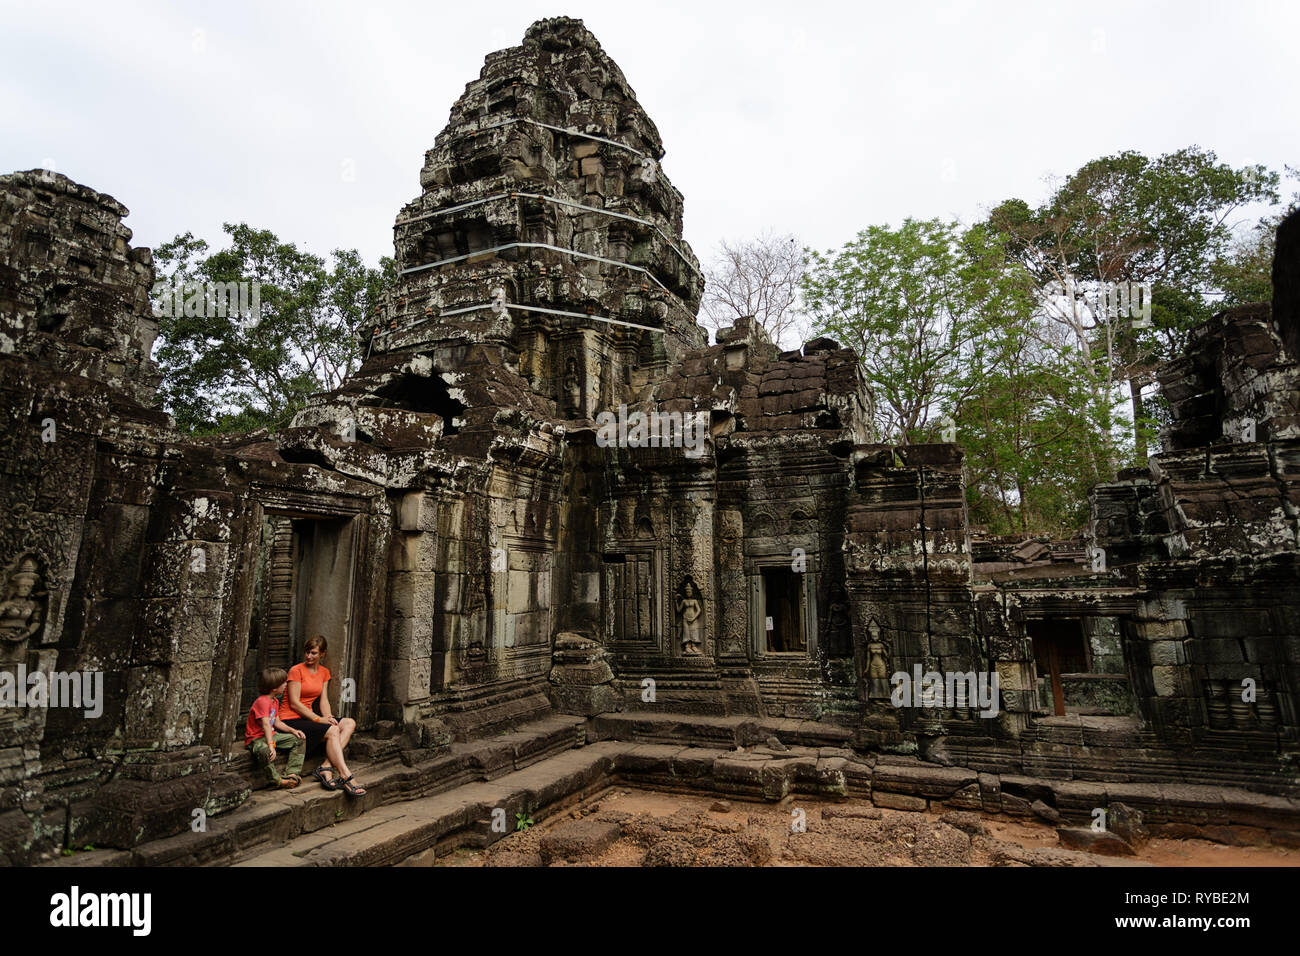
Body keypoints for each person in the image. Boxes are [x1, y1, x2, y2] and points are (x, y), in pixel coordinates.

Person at [281, 635, 366, 796]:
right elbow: (294, 703)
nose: (309, 656)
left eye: (313, 653)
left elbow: (324, 700)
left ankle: (326, 766)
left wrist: (328, 717)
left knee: (349, 723)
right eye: (307, 652)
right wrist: (319, 719)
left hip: (309, 717)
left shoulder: (324, 672)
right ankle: (345, 775)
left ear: (323, 654)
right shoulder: (296, 670)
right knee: (333, 731)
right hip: (290, 719)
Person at [245, 667, 306, 789]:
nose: (286, 685)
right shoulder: (262, 701)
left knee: (299, 740)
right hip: (256, 739)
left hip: (271, 735)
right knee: (265, 751)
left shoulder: (274, 701)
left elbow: (276, 722)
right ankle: (276, 779)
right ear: (274, 688)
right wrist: (271, 745)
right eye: (283, 683)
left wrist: (293, 731)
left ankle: (291, 773)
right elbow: (267, 724)